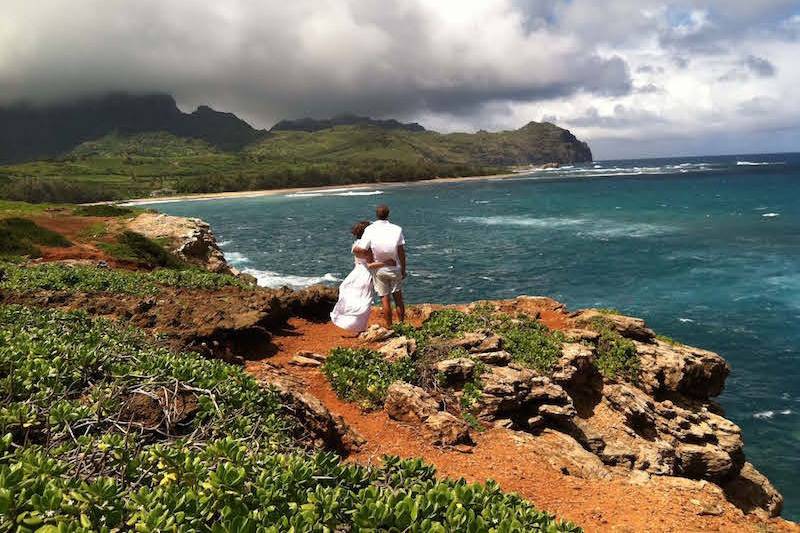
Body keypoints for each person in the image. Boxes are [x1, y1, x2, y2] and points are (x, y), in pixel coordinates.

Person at [330, 221, 395, 333]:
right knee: (373, 300)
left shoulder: (356, 245)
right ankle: (389, 326)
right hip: (367, 274)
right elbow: (370, 264)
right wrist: (387, 262)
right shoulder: (368, 247)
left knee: (354, 298)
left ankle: (357, 326)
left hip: (356, 273)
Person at [356, 204, 406, 327]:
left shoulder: (370, 229)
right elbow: (401, 252)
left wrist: (369, 260)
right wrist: (403, 269)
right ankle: (401, 325)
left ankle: (389, 327)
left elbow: (361, 248)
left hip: (379, 269)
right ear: (388, 214)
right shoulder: (397, 229)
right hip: (395, 268)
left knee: (385, 300)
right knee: (398, 299)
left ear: (377, 215)